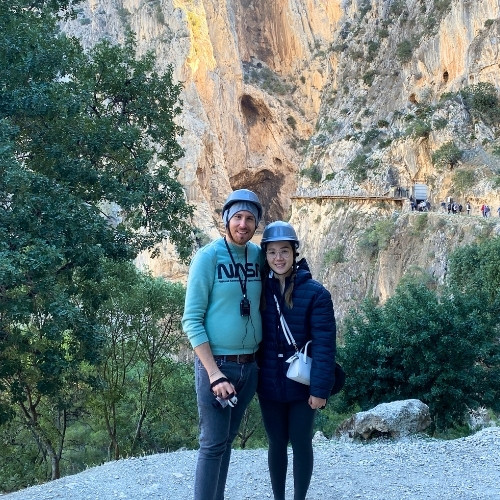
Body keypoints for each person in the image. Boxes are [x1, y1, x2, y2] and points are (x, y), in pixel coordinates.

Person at [182, 189, 264, 500]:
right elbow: (191, 320)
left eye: (250, 218)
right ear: (227, 219)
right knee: (213, 444)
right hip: (218, 367)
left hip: (249, 367)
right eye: (238, 217)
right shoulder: (207, 257)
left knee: (226, 442)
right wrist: (215, 374)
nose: (243, 224)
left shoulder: (258, 256)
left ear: (256, 224)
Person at [257, 221, 337, 500]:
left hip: (303, 385)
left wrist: (320, 390)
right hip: (268, 383)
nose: (278, 258)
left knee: (301, 443)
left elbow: (325, 345)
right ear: (265, 256)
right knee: (276, 443)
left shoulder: (316, 293)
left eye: (284, 251)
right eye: (272, 252)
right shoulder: (259, 291)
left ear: (294, 253)